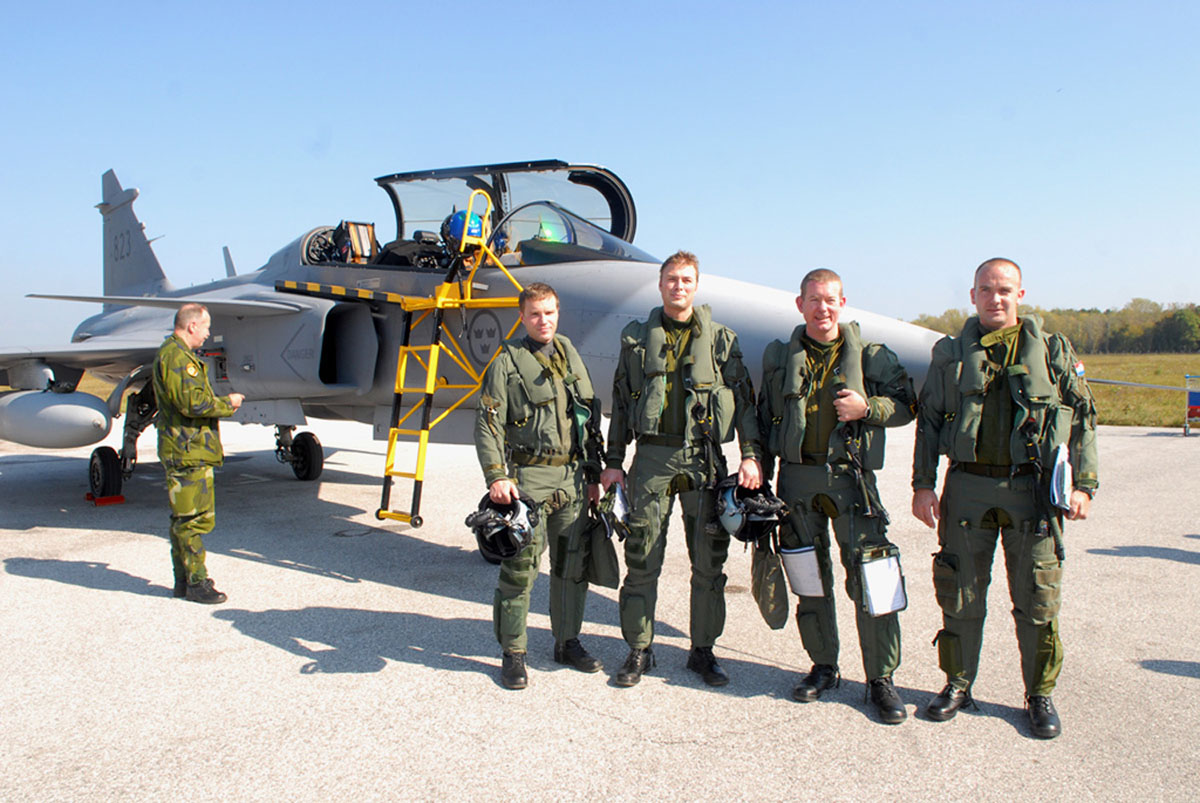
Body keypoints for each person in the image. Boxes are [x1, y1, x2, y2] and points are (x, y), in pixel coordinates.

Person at [911, 257, 1099, 739]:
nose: (996, 298)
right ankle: (958, 684)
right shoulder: (950, 353)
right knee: (960, 593)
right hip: (967, 487)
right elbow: (929, 421)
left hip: (1031, 491)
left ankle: (1039, 694)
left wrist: (1084, 484)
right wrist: (923, 484)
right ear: (973, 295)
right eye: (987, 290)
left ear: (1020, 294)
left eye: (1005, 290)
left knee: (1037, 597)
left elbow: (1083, 416)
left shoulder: (1052, 350)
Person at [757, 269, 917, 723]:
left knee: (872, 578)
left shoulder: (872, 356)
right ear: (800, 304)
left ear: (842, 303)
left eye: (830, 300)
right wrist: (759, 473)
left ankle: (881, 678)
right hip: (797, 481)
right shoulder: (780, 357)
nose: (822, 308)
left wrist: (869, 408)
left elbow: (908, 405)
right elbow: (764, 418)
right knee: (808, 578)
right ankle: (823, 666)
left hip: (851, 481)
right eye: (814, 300)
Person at [601, 250, 762, 687]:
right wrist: (614, 462)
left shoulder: (721, 340)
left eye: (686, 279)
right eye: (672, 279)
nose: (679, 286)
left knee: (709, 561)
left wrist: (751, 454)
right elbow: (622, 401)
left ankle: (703, 651)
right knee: (642, 556)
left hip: (702, 459)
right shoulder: (636, 339)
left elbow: (744, 402)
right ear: (660, 284)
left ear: (696, 285)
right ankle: (639, 648)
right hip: (652, 458)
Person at [474, 282, 605, 690]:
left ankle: (567, 642)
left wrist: (593, 475)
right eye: (534, 314)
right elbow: (488, 424)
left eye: (549, 312)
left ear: (558, 313)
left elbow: (588, 419)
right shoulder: (506, 363)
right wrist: (497, 476)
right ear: (522, 317)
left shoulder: (570, 355)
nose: (542, 321)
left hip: (572, 477)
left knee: (572, 567)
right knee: (521, 569)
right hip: (528, 478)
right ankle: (513, 652)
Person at [152, 303, 244, 604]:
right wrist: (228, 403)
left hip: (186, 448)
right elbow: (192, 403)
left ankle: (184, 581)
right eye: (205, 327)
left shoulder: (175, 354)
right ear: (192, 326)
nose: (207, 334)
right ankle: (197, 582)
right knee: (193, 520)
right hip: (187, 450)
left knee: (184, 519)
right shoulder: (177, 357)